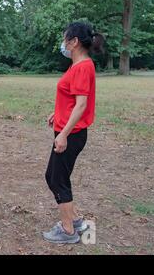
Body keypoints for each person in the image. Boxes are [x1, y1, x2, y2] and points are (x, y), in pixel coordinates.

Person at [42, 22, 104, 244]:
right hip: (70, 130)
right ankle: (76, 220)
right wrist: (56, 113)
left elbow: (81, 105)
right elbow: (71, 99)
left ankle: (68, 231)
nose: (63, 43)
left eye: (64, 38)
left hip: (72, 134)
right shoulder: (78, 65)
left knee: (57, 179)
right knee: (55, 176)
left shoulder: (82, 67)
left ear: (74, 41)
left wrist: (63, 134)